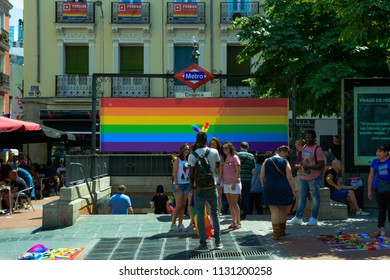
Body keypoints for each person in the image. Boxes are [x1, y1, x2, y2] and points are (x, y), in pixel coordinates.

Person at [188, 132, 222, 252]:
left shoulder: (192, 155)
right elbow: (218, 167)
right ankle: (218, 242)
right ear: (207, 140)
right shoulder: (214, 152)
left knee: (200, 215)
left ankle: (203, 244)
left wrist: (192, 186)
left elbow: (191, 173)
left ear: (197, 141)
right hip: (211, 187)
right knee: (214, 214)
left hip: (199, 189)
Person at [288, 129, 325, 226]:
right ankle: (298, 217)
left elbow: (321, 165)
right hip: (304, 176)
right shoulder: (304, 147)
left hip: (314, 177)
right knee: (301, 197)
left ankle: (314, 218)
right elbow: (304, 161)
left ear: (314, 138)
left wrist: (310, 167)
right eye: (306, 137)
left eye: (310, 137)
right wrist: (300, 166)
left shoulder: (318, 149)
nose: (308, 139)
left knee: (315, 198)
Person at [260, 145, 296, 240]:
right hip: (283, 187)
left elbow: (262, 176)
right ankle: (282, 230)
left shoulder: (266, 161)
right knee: (283, 210)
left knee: (274, 210)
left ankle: (276, 234)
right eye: (286, 155)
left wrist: (263, 186)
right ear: (283, 152)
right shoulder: (285, 162)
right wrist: (293, 190)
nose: (286, 157)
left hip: (270, 187)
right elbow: (289, 178)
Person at [368, 144, 390, 237]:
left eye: (380, 151)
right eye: (377, 151)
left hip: (389, 189)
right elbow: (371, 176)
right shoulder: (375, 162)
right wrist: (369, 190)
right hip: (378, 188)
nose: (378, 153)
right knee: (381, 209)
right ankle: (379, 229)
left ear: (386, 152)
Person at [219, 141, 242, 229]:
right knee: (230, 203)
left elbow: (238, 170)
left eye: (226, 148)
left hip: (234, 183)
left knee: (234, 203)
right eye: (223, 148)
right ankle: (234, 221)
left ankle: (238, 222)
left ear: (230, 148)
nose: (225, 150)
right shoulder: (224, 159)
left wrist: (234, 182)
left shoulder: (235, 157)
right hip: (226, 183)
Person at [170, 143, 190, 231]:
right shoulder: (177, 160)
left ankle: (181, 223)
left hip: (187, 183)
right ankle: (173, 223)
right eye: (185, 149)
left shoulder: (189, 160)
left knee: (183, 204)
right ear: (182, 150)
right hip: (179, 184)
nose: (187, 151)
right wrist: (176, 184)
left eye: (188, 149)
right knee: (178, 205)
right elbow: (175, 173)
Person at [237, 141, 256, 220]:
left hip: (238, 179)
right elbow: (253, 169)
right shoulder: (251, 156)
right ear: (248, 147)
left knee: (237, 196)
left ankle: (237, 213)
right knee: (246, 196)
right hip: (247, 179)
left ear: (240, 147)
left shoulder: (237, 155)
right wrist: (249, 175)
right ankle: (244, 213)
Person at [209, 137, 224, 216]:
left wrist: (219, 180)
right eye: (211, 144)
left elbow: (221, 169)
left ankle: (218, 213)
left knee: (218, 196)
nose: (212, 145)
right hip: (209, 177)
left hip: (218, 177)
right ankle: (210, 212)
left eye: (214, 144)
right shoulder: (208, 153)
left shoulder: (220, 155)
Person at [290, 139, 304, 215]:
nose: (296, 147)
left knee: (297, 191)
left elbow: (302, 164)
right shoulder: (300, 153)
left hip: (300, 173)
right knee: (296, 191)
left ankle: (295, 209)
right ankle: (294, 208)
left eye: (296, 145)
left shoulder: (303, 153)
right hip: (298, 174)